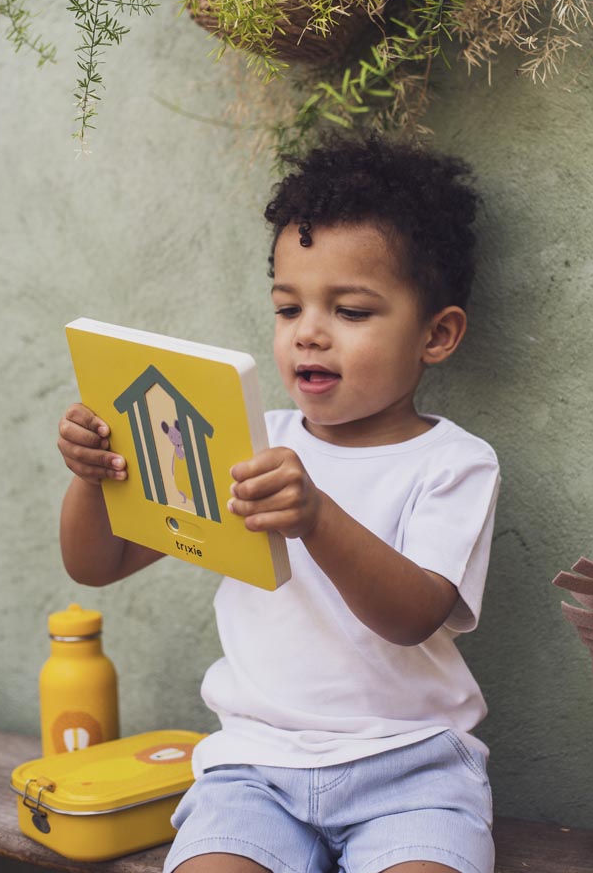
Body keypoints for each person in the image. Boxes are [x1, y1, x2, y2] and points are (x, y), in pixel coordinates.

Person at [57, 135, 500, 873]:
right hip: (250, 771)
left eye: (352, 311)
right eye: (287, 307)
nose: (309, 334)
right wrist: (92, 475)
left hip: (410, 768)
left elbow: (412, 614)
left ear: (437, 334)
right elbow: (97, 565)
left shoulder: (451, 463)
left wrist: (316, 517)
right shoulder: (244, 441)